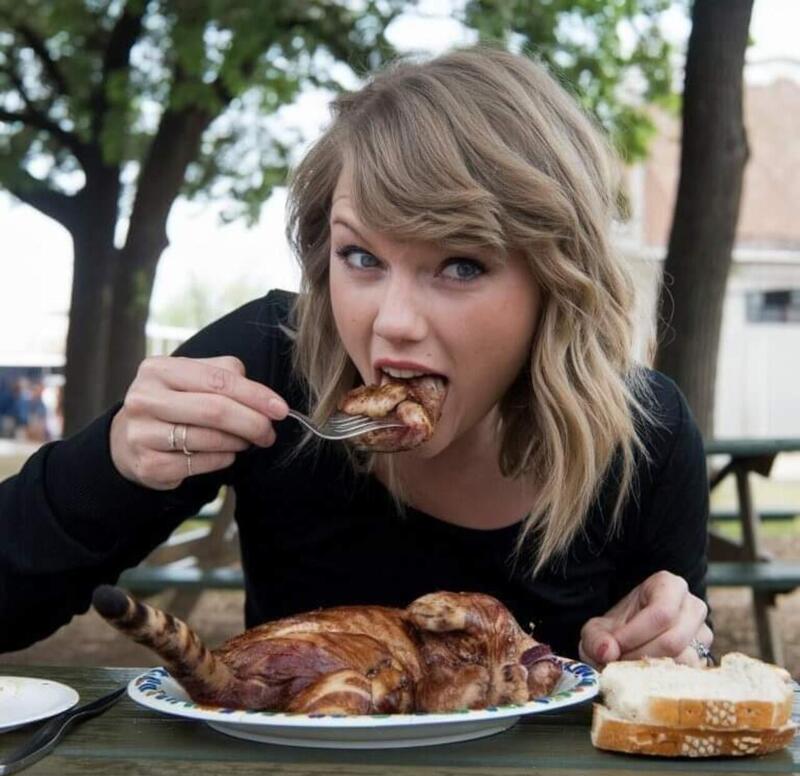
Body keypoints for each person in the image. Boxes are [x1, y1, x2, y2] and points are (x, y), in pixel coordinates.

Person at [0, 46, 711, 669]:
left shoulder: (644, 436)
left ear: (555, 280)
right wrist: (112, 466)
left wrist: (669, 642)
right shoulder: (265, 367)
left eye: (459, 266)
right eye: (361, 256)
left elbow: (666, 693)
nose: (392, 323)